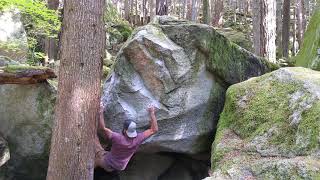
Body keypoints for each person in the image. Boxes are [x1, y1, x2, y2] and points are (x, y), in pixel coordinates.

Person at [94, 104, 158, 172]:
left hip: (108, 163)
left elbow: (102, 129)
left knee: (97, 159)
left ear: (124, 130)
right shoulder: (139, 138)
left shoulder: (117, 138)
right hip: (121, 166)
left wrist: (100, 112)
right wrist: (152, 113)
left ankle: (87, 172)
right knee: (99, 149)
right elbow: (154, 130)